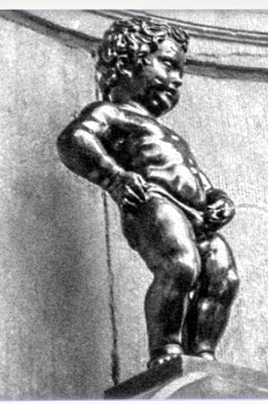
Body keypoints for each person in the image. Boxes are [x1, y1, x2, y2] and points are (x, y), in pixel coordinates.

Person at [57, 17, 240, 368]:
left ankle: (203, 354)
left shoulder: (168, 134)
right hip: (151, 200)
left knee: (222, 276)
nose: (177, 79)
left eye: (180, 71)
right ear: (128, 62)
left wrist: (218, 199)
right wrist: (115, 178)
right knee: (180, 266)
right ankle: (166, 351)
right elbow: (74, 139)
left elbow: (197, 177)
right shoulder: (112, 114)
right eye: (168, 65)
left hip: (197, 216)